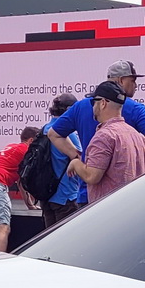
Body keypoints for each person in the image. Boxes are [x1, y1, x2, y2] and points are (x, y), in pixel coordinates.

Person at [44, 60, 145, 169]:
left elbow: (53, 134)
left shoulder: (81, 106)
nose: (136, 85)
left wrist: (76, 156)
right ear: (121, 80)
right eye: (132, 80)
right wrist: (129, 156)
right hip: (123, 183)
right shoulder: (134, 108)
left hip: (88, 179)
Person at [73, 81, 145, 202]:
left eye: (94, 102)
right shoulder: (137, 136)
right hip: (135, 206)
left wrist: (75, 163)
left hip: (110, 209)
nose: (92, 107)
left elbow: (92, 176)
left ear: (103, 103)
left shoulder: (104, 136)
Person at [0, 126, 39, 251]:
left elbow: (20, 182)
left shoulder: (12, 147)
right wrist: (30, 205)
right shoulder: (26, 151)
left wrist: (30, 205)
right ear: (31, 140)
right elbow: (23, 181)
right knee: (3, 227)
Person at [41, 93, 87, 227]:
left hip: (47, 196)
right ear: (69, 110)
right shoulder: (66, 133)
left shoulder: (44, 130)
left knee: (50, 237)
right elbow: (80, 159)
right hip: (66, 195)